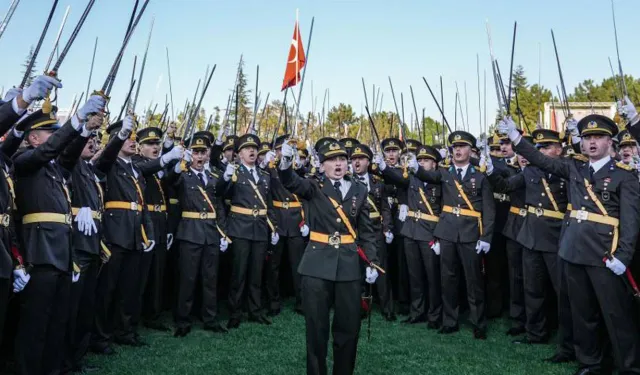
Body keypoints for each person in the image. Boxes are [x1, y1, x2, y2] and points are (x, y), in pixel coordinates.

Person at [499, 113, 640, 374]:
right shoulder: (574, 167)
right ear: (582, 144)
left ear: (611, 142)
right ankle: (590, 363)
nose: (592, 143)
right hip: (573, 250)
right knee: (582, 314)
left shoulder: (624, 175)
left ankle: (628, 366)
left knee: (615, 314)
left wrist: (623, 256)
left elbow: (631, 221)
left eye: (599, 137)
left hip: (605, 254)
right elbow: (541, 159)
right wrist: (516, 137)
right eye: (587, 138)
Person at [13, 78, 103, 375]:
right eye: (47, 132)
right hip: (40, 253)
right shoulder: (25, 160)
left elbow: (68, 151)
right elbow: (49, 151)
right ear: (33, 137)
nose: (53, 137)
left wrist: (85, 129)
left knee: (57, 321)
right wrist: (75, 119)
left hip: (62, 253)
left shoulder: (55, 168)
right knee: (35, 325)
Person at [381, 130, 495, 339]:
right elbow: (428, 175)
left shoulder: (480, 176)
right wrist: (416, 168)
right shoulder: (445, 173)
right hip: (447, 232)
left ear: (471, 150)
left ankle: (478, 322)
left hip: (470, 233)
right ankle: (449, 320)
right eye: (455, 148)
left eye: (462, 147)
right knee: (447, 279)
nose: (458, 150)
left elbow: (489, 210)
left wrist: (486, 237)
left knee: (473, 281)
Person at [279, 139, 379, 375]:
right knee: (316, 329)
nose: (338, 164)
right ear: (322, 165)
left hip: (349, 266)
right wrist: (285, 162)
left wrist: (372, 261)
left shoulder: (359, 190)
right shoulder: (313, 187)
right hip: (316, 265)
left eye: (342, 159)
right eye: (332, 160)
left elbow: (367, 231)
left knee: (348, 328)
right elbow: (290, 181)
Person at [486, 128, 574, 362]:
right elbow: (504, 186)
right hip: (531, 237)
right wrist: (490, 169)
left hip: (558, 238)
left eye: (546, 147)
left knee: (563, 294)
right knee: (531, 289)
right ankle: (535, 332)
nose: (541, 151)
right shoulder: (531, 170)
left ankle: (568, 343)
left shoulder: (569, 168)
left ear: (559, 149)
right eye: (539, 148)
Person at [92, 115, 158, 352]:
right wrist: (116, 139)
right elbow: (104, 160)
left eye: (132, 137)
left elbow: (142, 205)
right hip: (115, 234)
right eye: (126, 137)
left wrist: (148, 233)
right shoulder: (109, 164)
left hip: (135, 234)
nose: (132, 141)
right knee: (107, 289)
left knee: (129, 288)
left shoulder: (136, 170)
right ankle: (101, 337)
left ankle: (125, 331)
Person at [62, 110, 119, 373]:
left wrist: (119, 137)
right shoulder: (70, 163)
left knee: (86, 307)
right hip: (75, 244)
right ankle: (65, 359)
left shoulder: (88, 168)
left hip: (92, 242)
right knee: (71, 309)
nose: (93, 144)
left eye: (96, 141)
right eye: (89, 141)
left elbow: (106, 159)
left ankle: (78, 357)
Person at [169, 131, 229, 336]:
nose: (200, 156)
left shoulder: (214, 177)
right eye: (196, 152)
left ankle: (210, 318)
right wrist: (178, 165)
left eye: (203, 152)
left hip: (210, 233)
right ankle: (183, 320)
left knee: (210, 278)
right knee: (188, 278)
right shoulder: (183, 175)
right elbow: (170, 181)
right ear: (189, 154)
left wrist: (223, 233)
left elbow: (219, 205)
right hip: (190, 233)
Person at [379, 145, 442, 328]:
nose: (421, 163)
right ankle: (417, 312)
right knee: (414, 276)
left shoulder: (439, 180)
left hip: (430, 232)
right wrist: (383, 167)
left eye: (426, 160)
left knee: (432, 276)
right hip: (410, 231)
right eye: (419, 160)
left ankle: (434, 314)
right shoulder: (412, 179)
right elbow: (397, 178)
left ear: (435, 164)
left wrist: (438, 235)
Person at [223, 134, 279, 329]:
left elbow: (269, 204)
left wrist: (274, 227)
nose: (252, 151)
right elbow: (223, 195)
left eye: (254, 148)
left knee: (257, 273)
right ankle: (235, 312)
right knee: (239, 273)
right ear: (239, 154)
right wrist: (227, 178)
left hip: (260, 228)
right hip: (240, 227)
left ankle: (255, 311)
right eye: (247, 148)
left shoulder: (264, 175)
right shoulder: (235, 172)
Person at [261, 135, 308, 316]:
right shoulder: (270, 169)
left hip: (297, 220)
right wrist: (265, 164)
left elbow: (307, 194)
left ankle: (302, 301)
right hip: (278, 219)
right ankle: (273, 302)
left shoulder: (299, 168)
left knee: (299, 264)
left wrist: (307, 221)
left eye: (292, 148)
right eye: (284, 149)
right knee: (273, 265)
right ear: (277, 151)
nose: (287, 152)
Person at [351, 144, 395, 321]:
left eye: (360, 159)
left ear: (368, 162)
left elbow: (385, 208)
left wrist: (388, 228)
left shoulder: (378, 183)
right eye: (354, 159)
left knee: (381, 268)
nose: (357, 162)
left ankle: (387, 308)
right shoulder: (347, 181)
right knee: (359, 270)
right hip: (356, 230)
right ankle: (361, 307)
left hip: (376, 229)